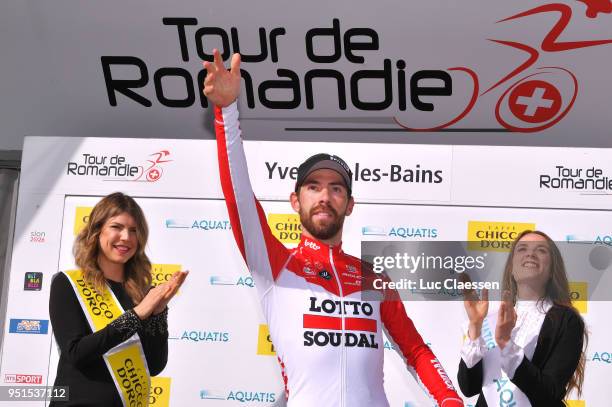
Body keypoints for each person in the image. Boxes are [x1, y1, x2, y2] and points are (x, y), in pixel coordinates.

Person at [203, 49, 463, 407]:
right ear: (295, 201)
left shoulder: (374, 280)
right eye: (313, 187)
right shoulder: (276, 264)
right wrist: (227, 112)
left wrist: (450, 399)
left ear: (349, 204)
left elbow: (417, 351)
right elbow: (239, 199)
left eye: (336, 188)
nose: (324, 196)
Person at [49, 192, 188, 406]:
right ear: (96, 231)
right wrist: (137, 315)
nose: (126, 237)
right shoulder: (69, 283)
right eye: (117, 227)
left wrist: (159, 313)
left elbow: (154, 365)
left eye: (134, 230)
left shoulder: (141, 292)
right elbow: (76, 353)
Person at [458, 230, 587, 406]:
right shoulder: (492, 315)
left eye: (541, 250)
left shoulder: (566, 320)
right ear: (511, 268)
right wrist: (475, 328)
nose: (530, 254)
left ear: (551, 269)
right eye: (522, 249)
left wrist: (506, 344)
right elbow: (469, 387)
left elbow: (548, 394)